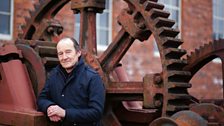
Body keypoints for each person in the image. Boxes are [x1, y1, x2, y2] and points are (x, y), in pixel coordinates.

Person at [37, 37, 105, 126]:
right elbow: (42, 98)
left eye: (68, 52)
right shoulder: (54, 75)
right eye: (60, 54)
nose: (64, 57)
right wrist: (50, 108)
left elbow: (96, 113)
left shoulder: (92, 77)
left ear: (78, 53)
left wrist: (65, 113)